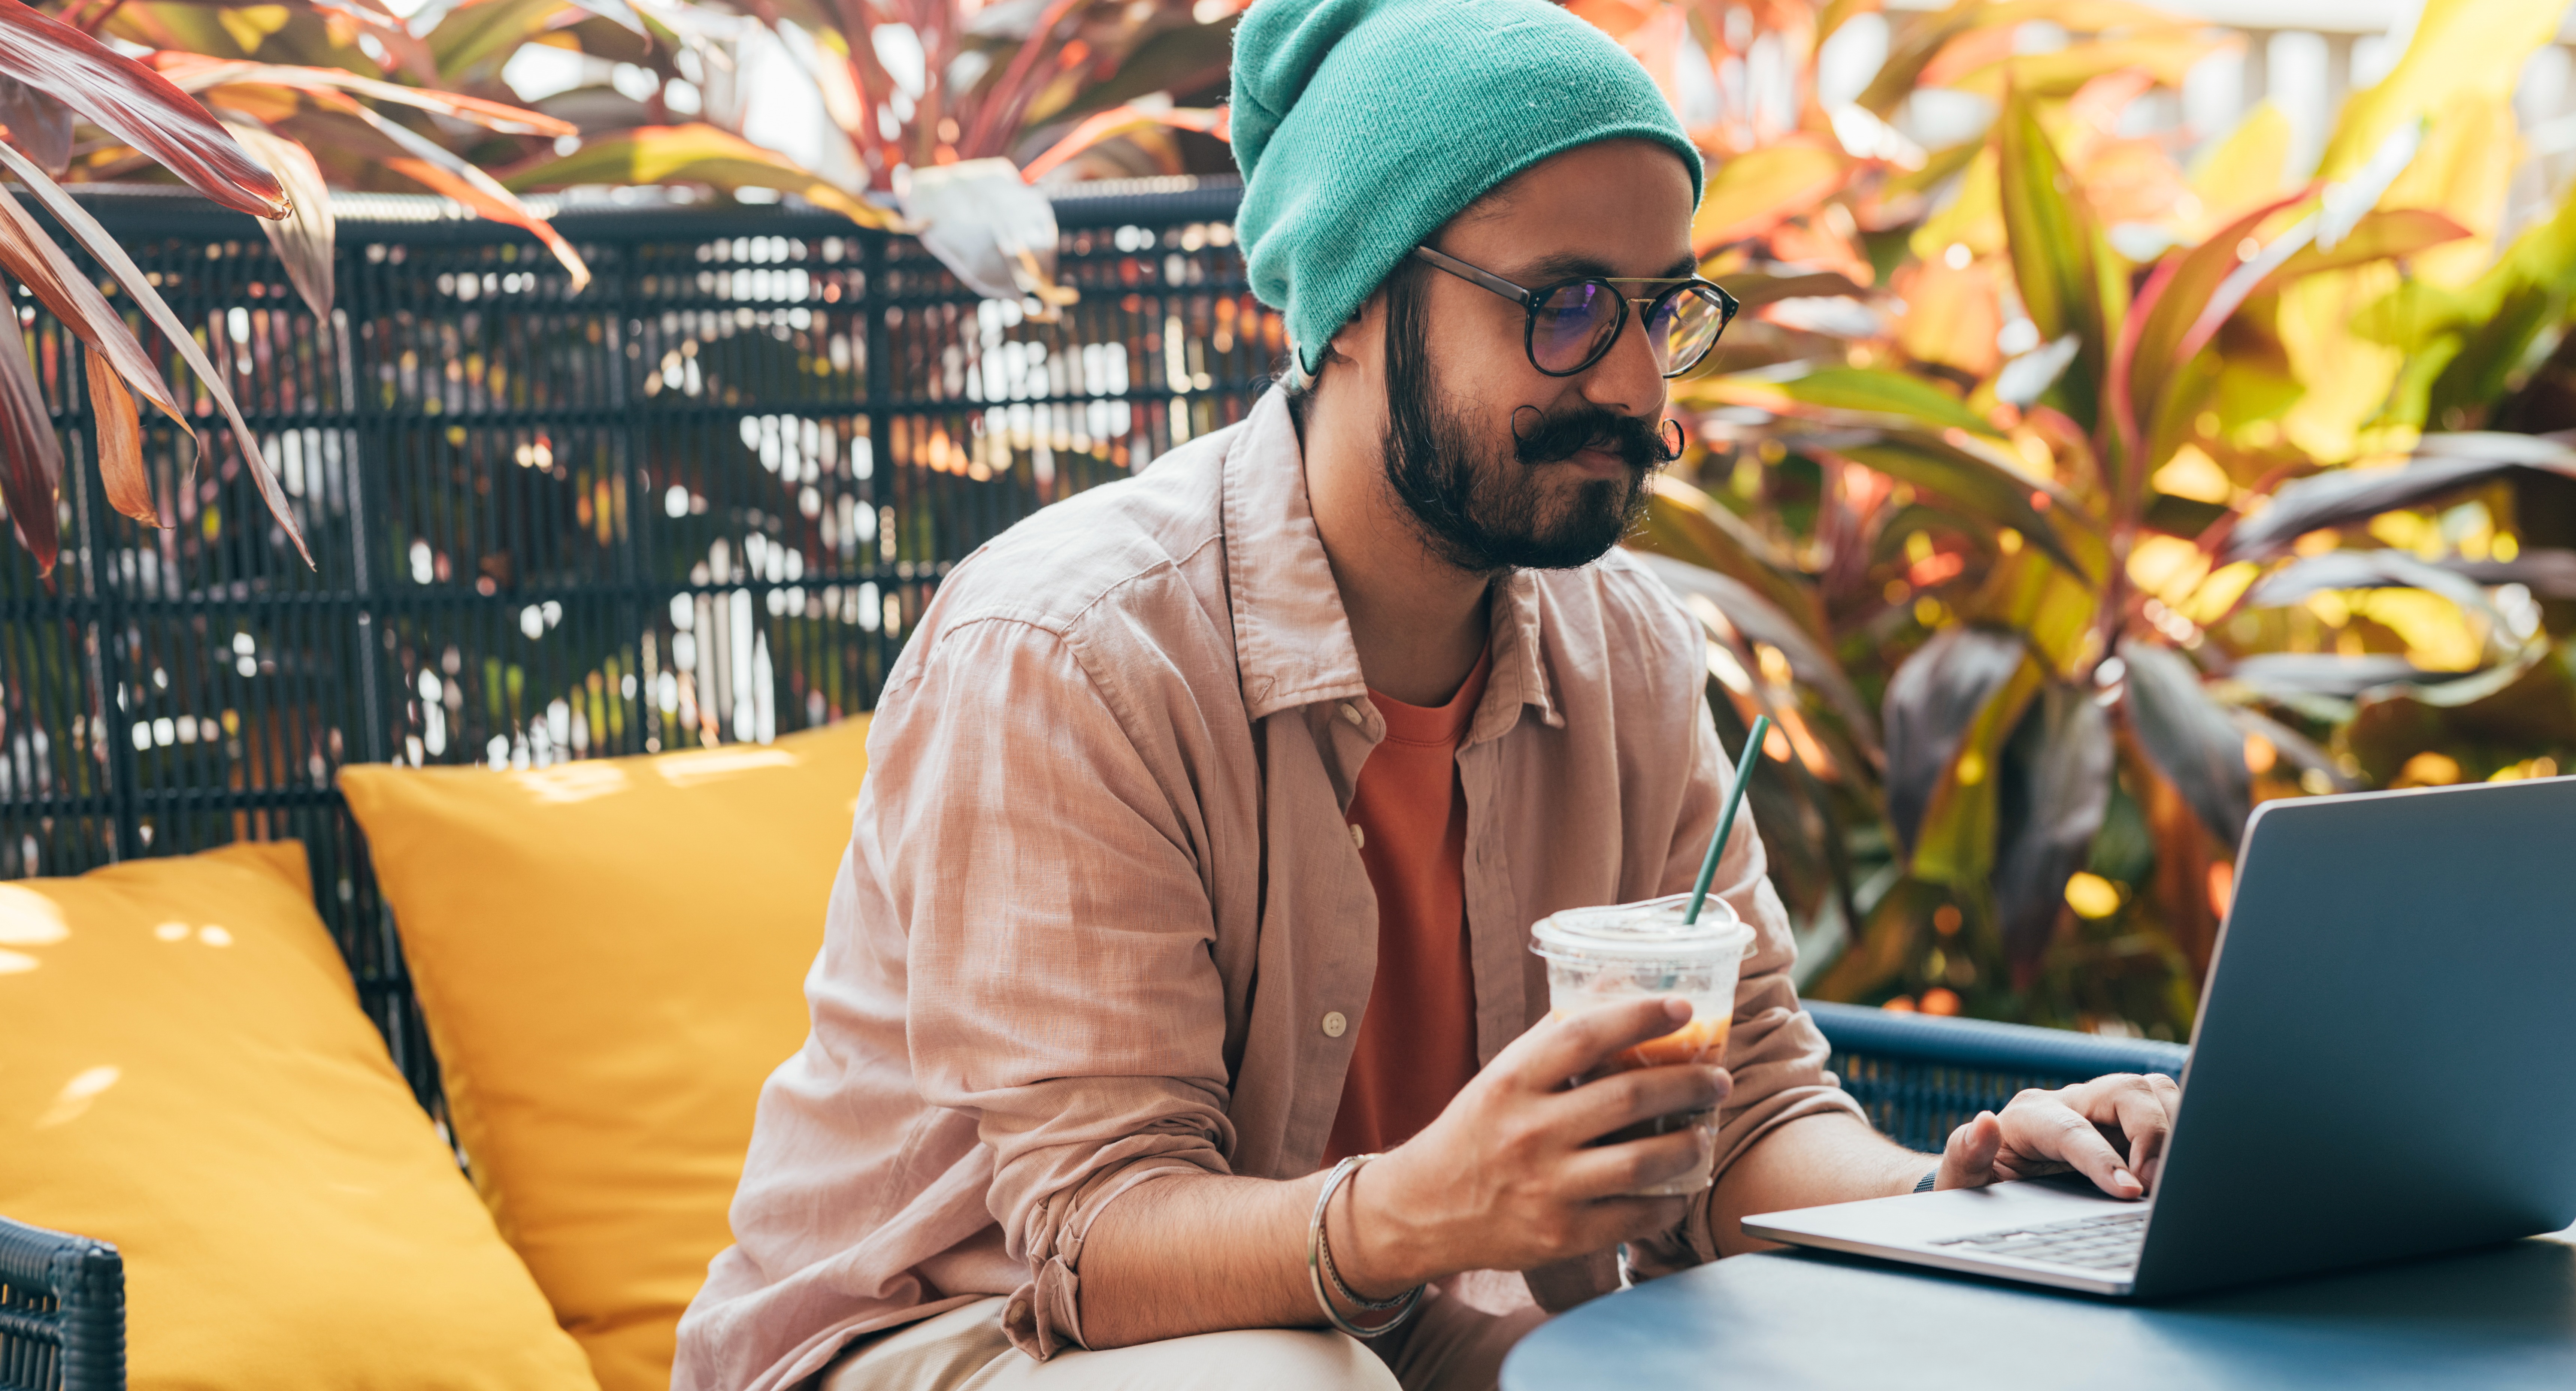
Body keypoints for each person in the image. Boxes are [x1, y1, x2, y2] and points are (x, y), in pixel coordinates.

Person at [672, 1, 2179, 1388]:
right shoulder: (1072, 653)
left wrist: (1967, 1201)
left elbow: (1752, 1116)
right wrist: (1421, 1205)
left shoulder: (1629, 652)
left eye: (1662, 308)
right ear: (1348, 304)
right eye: (1567, 303)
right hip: (948, 1329)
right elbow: (1091, 1235)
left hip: (1369, 1320)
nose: (1644, 390)